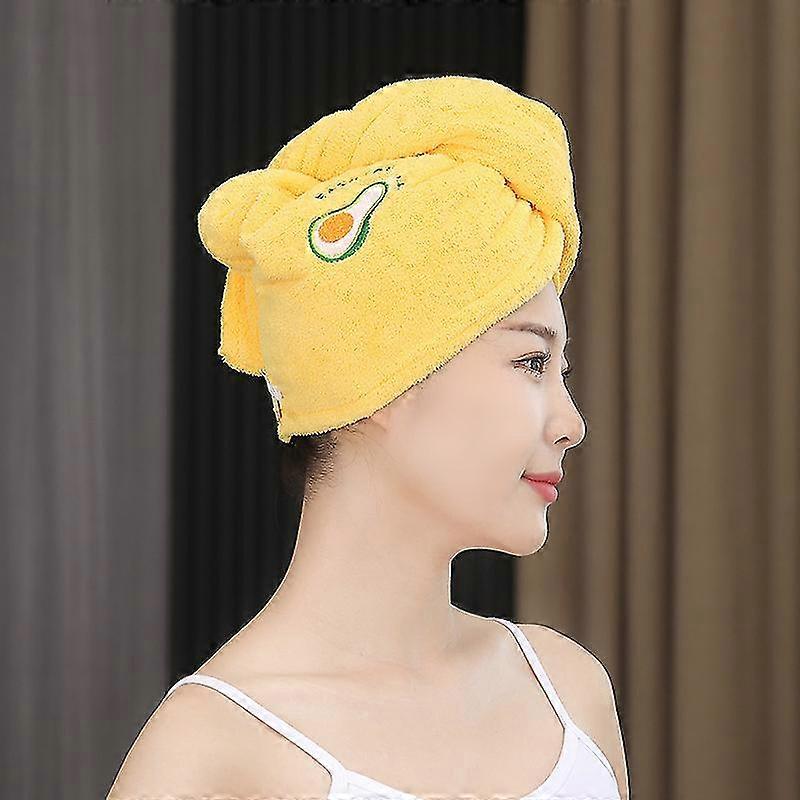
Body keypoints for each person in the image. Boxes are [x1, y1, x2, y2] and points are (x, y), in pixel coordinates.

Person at [108, 75, 629, 800]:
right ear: (384, 379)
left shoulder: (570, 695)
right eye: (531, 362)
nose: (571, 424)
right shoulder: (208, 757)